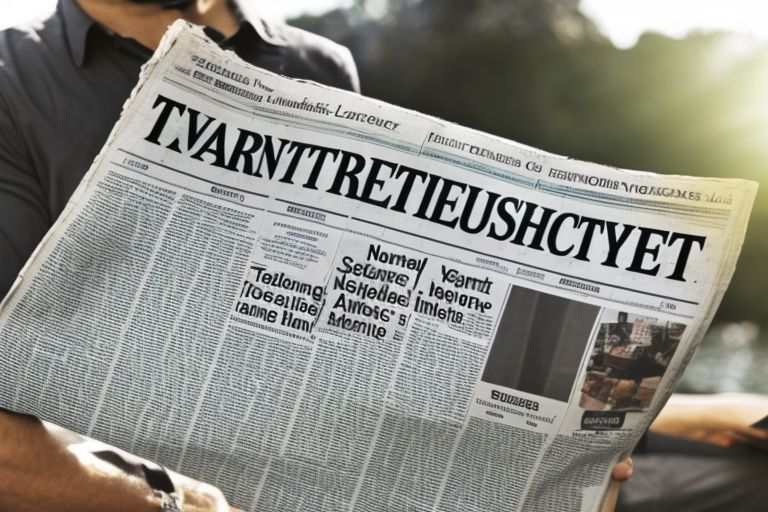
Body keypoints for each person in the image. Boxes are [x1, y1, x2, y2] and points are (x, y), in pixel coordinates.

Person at [0, 1, 631, 510]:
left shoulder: (319, 64)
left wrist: (554, 450)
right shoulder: (12, 74)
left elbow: (361, 318)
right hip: (115, 466)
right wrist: (172, 502)